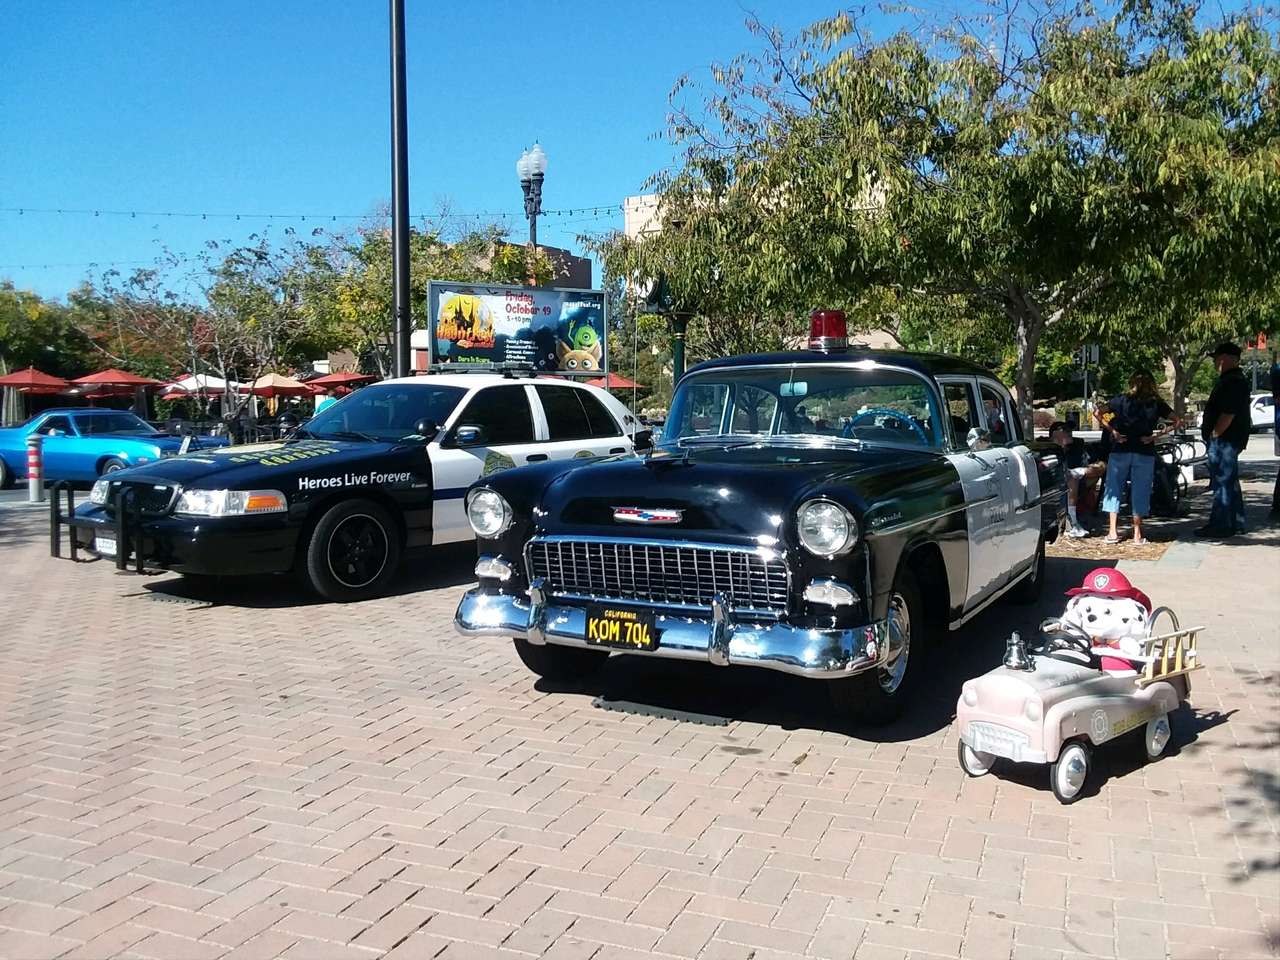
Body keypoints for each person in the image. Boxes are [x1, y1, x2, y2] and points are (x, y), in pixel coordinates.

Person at [1099, 370, 1176, 545]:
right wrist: (1155, 436)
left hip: (1120, 449)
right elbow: (1177, 421)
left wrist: (1114, 432)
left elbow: (1098, 413)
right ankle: (1137, 533)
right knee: (1140, 491)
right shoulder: (1156, 403)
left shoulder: (1120, 400)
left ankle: (1112, 531)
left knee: (1114, 489)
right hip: (1144, 450)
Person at [1197, 342, 1252, 537]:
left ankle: (1220, 525)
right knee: (1229, 481)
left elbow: (1228, 413)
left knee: (1222, 481)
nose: (1215, 362)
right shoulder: (1232, 380)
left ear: (1229, 359)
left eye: (1218, 358)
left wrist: (1215, 434)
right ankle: (1236, 521)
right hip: (1228, 439)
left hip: (1225, 440)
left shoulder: (1233, 382)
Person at [1050, 420, 1106, 538]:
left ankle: (1072, 520)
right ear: (1054, 435)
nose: (1069, 432)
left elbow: (1102, 465)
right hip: (1052, 487)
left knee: (1074, 478)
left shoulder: (1077, 449)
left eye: (1069, 430)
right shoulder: (1049, 451)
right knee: (1071, 479)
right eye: (1064, 430)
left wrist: (1081, 471)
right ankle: (1072, 522)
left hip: (1076, 486)